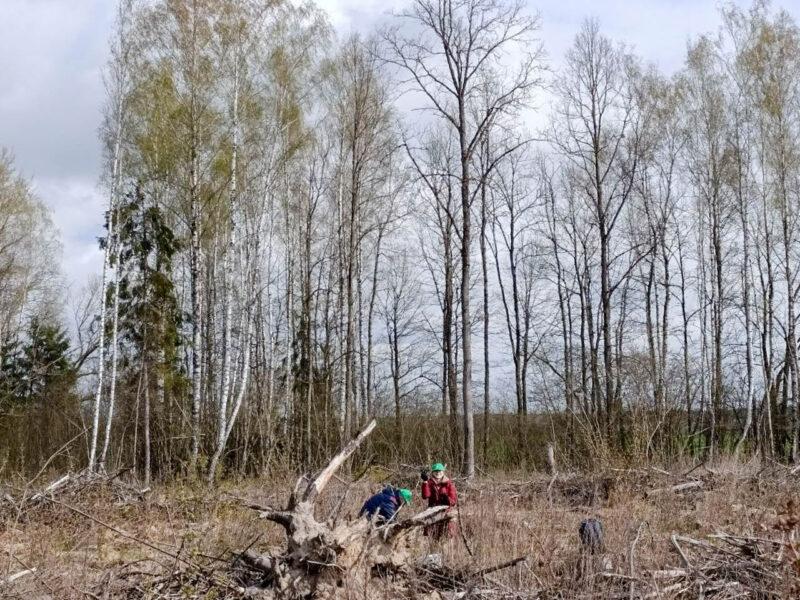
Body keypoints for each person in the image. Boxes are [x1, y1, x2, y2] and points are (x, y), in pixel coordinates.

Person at [420, 462, 457, 538]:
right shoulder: (429, 483)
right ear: (432, 472)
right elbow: (425, 496)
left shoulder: (449, 484)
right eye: (436, 471)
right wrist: (425, 482)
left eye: (440, 471)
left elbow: (453, 501)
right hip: (432, 511)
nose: (438, 473)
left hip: (446, 511)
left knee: (447, 535)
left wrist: (447, 499)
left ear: (443, 472)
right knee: (432, 535)